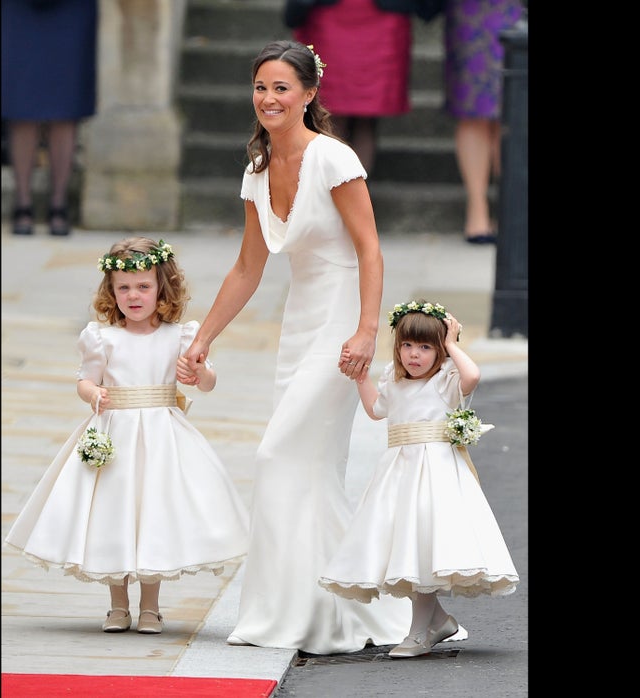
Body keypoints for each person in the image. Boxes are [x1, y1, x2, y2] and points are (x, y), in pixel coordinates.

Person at [177, 40, 458, 655]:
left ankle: (331, 608)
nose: (269, 99)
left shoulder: (333, 158)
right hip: (298, 328)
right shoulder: (255, 170)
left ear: (308, 94)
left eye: (281, 87)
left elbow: (369, 249)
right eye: (260, 87)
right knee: (307, 470)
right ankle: (357, 609)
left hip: (339, 329)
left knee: (279, 456)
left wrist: (365, 330)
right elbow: (248, 269)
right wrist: (201, 338)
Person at [4, 237, 249, 635]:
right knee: (113, 514)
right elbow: (84, 380)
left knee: (153, 514)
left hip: (162, 438)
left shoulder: (180, 336)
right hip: (114, 434)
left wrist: (199, 373)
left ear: (162, 288)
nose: (133, 296)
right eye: (123, 288)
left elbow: (208, 381)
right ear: (111, 291)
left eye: (143, 286)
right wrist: (93, 393)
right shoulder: (102, 337)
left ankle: (150, 607)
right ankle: (117, 606)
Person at [320, 300, 519, 657]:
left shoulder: (446, 381)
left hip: (435, 476)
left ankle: (418, 634)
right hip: (399, 474)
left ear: (439, 350)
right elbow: (375, 409)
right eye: (408, 346)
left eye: (426, 347)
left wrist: (454, 343)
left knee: (423, 545)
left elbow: (473, 376)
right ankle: (437, 621)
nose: (415, 355)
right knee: (409, 550)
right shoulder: (394, 384)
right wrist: (360, 376)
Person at [1, 0, 98, 236]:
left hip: (72, 10)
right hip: (17, 9)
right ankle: (22, 202)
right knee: (20, 102)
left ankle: (59, 204)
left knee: (66, 102)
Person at [288, 0, 413, 175]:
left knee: (366, 115)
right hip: (328, 16)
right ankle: (330, 192)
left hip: (381, 17)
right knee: (330, 112)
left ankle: (353, 195)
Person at [443, 0, 524, 244]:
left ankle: (511, 210)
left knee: (515, 106)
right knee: (472, 104)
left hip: (518, 9)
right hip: (471, 10)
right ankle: (477, 210)